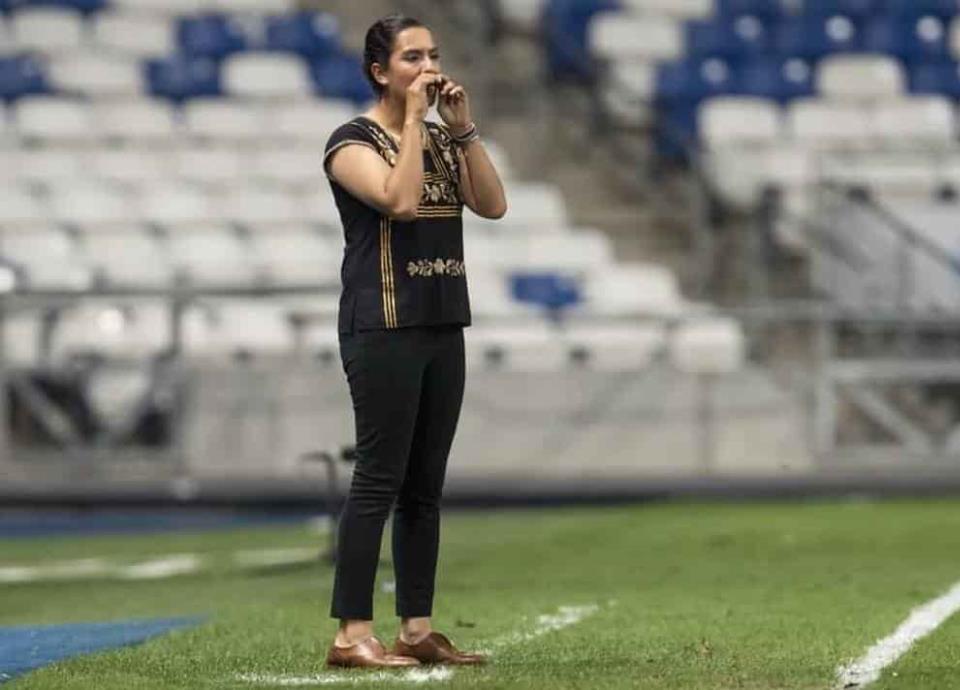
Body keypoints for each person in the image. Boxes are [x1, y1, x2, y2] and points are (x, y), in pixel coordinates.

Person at [321, 13, 507, 669]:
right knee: (379, 478)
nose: (428, 68)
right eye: (412, 58)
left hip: (441, 319)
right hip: (383, 323)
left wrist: (463, 130)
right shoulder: (351, 142)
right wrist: (411, 122)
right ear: (380, 71)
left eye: (433, 55)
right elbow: (399, 202)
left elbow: (492, 205)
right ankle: (351, 635)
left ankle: (416, 628)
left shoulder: (441, 137)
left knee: (425, 486)